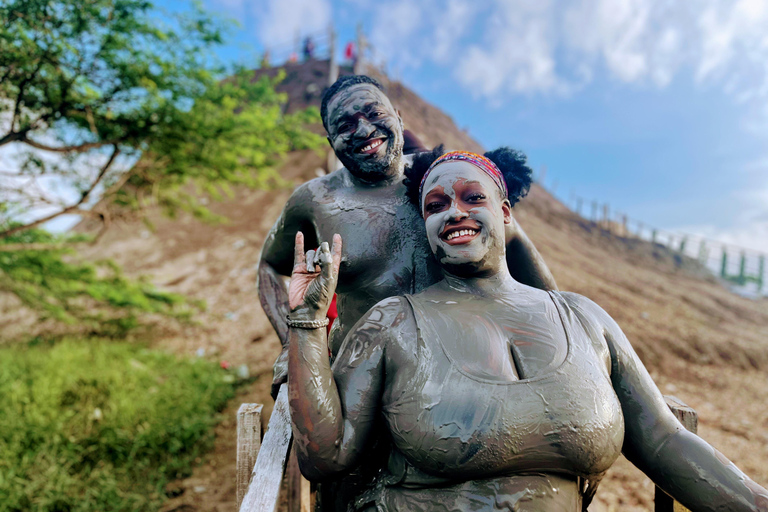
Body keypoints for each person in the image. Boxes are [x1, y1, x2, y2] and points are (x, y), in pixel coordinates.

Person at [286, 148, 768, 511]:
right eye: (435, 205)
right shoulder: (393, 321)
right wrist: (307, 322)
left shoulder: (583, 317)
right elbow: (324, 456)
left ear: (506, 212)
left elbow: (664, 441)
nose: (454, 211)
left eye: (473, 197)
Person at [258, 75, 556, 399]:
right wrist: (291, 342)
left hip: (467, 374)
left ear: (398, 117)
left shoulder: (441, 177)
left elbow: (511, 238)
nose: (363, 129)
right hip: (364, 385)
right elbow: (269, 266)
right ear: (331, 143)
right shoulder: (315, 200)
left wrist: (559, 324)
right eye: (345, 125)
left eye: (373, 113)